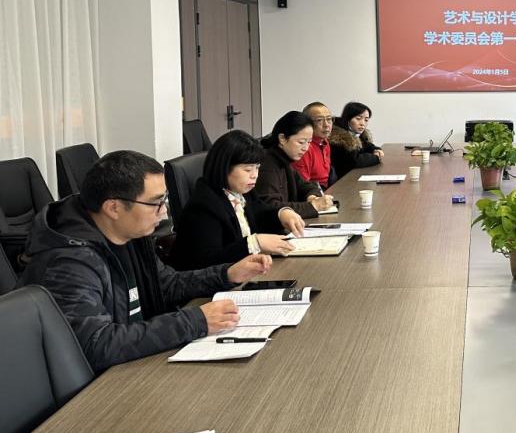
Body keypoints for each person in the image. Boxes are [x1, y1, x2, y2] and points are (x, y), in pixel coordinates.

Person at [19, 150, 272, 372]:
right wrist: (194, 321)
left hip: (136, 363)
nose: (164, 212)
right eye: (155, 203)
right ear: (113, 208)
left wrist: (226, 274)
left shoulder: (129, 234)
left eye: (164, 200)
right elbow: (95, 345)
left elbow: (167, 284)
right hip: (99, 390)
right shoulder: (70, 262)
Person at [168, 131, 303, 270]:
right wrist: (254, 243)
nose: (255, 175)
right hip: (210, 280)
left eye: (257, 168)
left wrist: (282, 213)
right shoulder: (203, 206)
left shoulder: (240, 190)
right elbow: (208, 260)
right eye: (248, 170)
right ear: (224, 168)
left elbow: (260, 212)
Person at [255, 110, 336, 218]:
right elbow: (271, 207)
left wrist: (312, 197)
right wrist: (313, 206)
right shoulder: (267, 165)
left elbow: (307, 186)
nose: (306, 148)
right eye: (301, 142)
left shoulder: (285, 160)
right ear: (282, 139)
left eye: (309, 142)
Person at [330, 101, 384, 179]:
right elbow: (354, 161)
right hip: (342, 180)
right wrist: (376, 157)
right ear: (347, 118)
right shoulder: (338, 137)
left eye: (366, 120)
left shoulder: (356, 133)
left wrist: (376, 149)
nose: (362, 123)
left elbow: (367, 146)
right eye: (358, 119)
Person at [293, 101, 335, 188]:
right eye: (319, 120)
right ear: (306, 124)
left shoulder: (325, 141)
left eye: (329, 119)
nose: (326, 125)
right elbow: (303, 186)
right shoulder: (304, 148)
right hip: (313, 191)